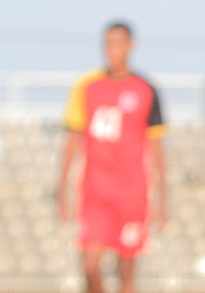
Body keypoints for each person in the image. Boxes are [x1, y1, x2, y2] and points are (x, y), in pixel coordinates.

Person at [57, 21, 167, 293]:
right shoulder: (87, 86)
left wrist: (163, 199)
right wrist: (62, 189)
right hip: (95, 191)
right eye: (107, 43)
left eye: (117, 43)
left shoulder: (145, 89)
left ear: (131, 45)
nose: (111, 49)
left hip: (131, 191)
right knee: (90, 266)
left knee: (126, 270)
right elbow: (73, 138)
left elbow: (157, 149)